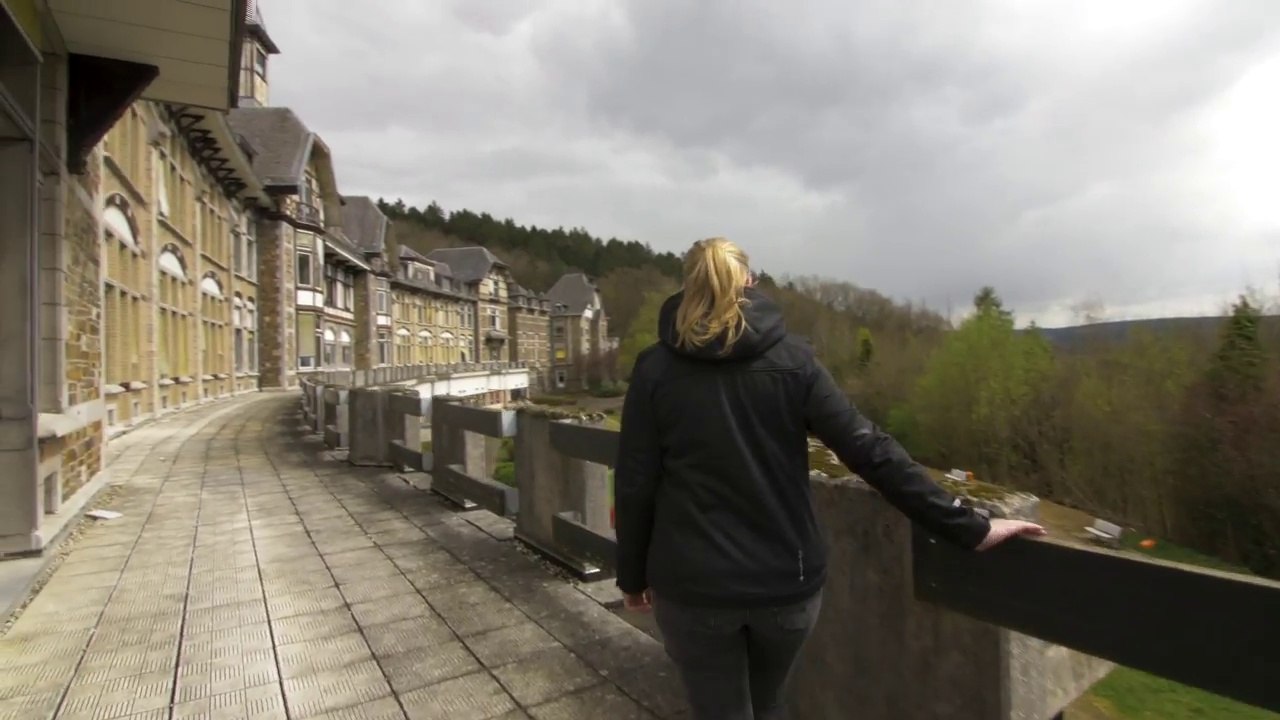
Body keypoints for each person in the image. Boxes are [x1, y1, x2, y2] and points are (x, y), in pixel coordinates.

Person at [613, 237, 1046, 720]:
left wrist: (631, 576)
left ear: (687, 286)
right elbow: (870, 451)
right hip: (785, 585)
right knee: (771, 704)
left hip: (693, 589)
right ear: (750, 284)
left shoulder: (655, 370)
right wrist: (972, 527)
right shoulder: (796, 362)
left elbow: (636, 482)